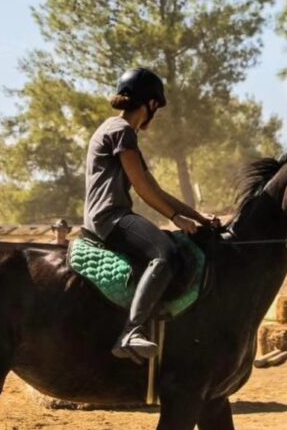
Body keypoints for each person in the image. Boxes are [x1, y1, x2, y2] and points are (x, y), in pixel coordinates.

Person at [83, 67, 218, 362]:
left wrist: (199, 217)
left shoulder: (117, 130)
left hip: (110, 216)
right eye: (156, 107)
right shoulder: (121, 132)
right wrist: (176, 218)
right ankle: (131, 331)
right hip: (110, 218)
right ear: (151, 104)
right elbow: (143, 188)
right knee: (165, 253)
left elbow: (156, 189)